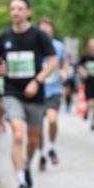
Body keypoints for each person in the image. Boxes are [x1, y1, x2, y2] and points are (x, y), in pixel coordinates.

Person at [0, 0, 56, 188]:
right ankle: (20, 181)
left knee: (33, 140)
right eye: (12, 9)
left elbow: (53, 61)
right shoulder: (5, 37)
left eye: (20, 8)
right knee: (18, 134)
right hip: (12, 92)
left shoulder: (39, 36)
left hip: (35, 94)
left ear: (28, 12)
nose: (15, 12)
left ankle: (26, 165)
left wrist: (37, 81)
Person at [37, 18, 67, 171]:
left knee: (52, 119)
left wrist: (64, 71)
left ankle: (51, 147)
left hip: (54, 90)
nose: (46, 31)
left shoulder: (59, 46)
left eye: (49, 28)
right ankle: (42, 154)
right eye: (43, 29)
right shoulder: (34, 45)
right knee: (38, 126)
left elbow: (64, 62)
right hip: (38, 91)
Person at [76, 39, 94, 132]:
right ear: (89, 47)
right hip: (88, 82)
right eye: (92, 46)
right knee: (90, 102)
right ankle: (87, 110)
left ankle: (93, 122)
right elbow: (78, 67)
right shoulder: (85, 57)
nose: (93, 48)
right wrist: (82, 72)